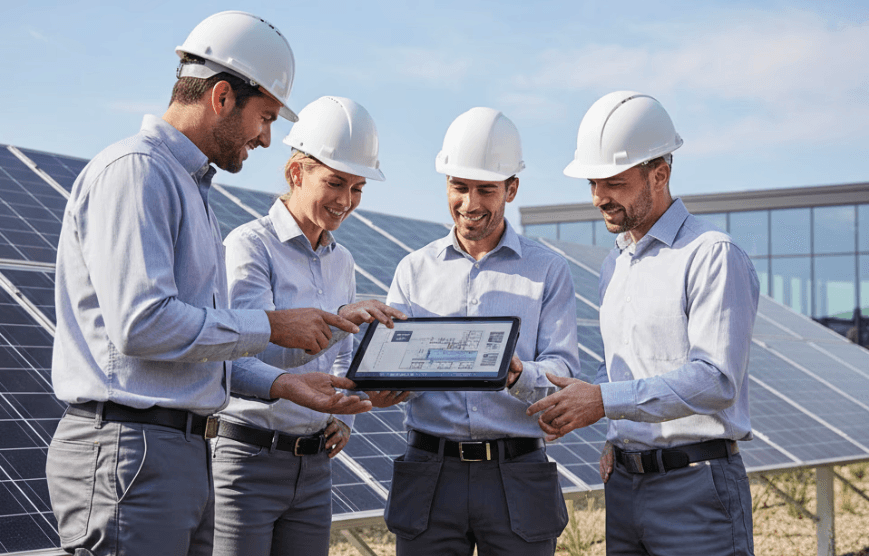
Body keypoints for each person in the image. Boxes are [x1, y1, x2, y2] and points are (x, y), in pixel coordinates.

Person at [45, 12, 370, 556]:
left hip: (177, 450)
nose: (267, 139)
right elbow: (141, 323)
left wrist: (286, 384)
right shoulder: (137, 172)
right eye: (264, 117)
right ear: (222, 97)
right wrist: (272, 325)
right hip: (132, 447)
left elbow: (200, 342)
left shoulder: (188, 189)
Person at [527, 91, 760, 556]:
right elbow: (619, 371)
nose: (598, 198)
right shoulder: (617, 264)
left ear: (660, 173)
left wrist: (604, 402)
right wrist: (587, 407)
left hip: (697, 489)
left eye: (613, 182)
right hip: (626, 485)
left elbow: (715, 380)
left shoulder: (711, 255)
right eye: (593, 183)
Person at [211, 96, 406, 556]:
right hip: (247, 461)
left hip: (315, 463)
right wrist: (341, 324)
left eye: (358, 188)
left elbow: (336, 357)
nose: (346, 201)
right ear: (296, 172)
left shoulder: (343, 260)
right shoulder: (250, 246)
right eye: (335, 182)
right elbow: (240, 358)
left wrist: (338, 411)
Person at [382, 107, 579, 556]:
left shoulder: (548, 270)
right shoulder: (413, 271)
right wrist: (385, 383)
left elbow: (563, 369)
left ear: (511, 187)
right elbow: (394, 365)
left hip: (517, 474)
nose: (470, 204)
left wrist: (516, 374)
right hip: (428, 473)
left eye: (486, 189)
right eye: (459, 188)